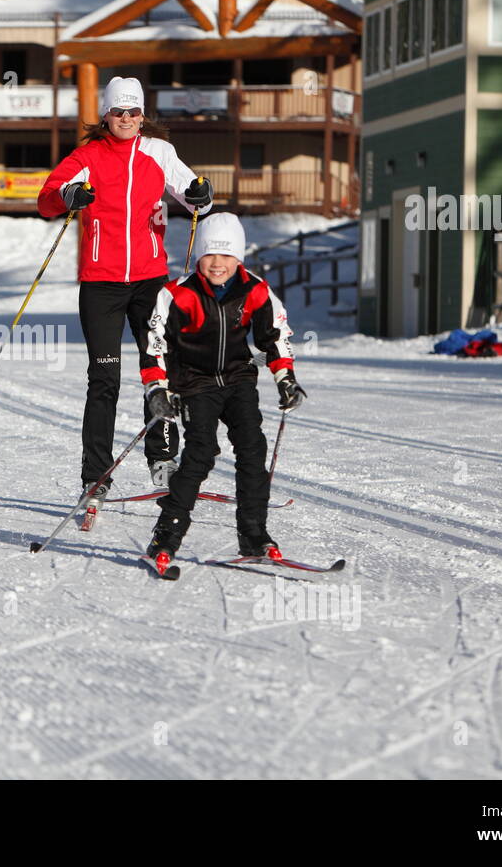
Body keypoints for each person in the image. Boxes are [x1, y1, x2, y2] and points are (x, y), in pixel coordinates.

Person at [37, 77, 213, 508]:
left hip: (151, 282)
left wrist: (201, 195)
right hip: (101, 283)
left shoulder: (159, 152)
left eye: (135, 113)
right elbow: (46, 200)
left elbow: (197, 200)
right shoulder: (89, 156)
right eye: (120, 112)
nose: (128, 120)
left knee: (161, 370)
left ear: (143, 115)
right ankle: (95, 477)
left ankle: (163, 459)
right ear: (106, 115)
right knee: (104, 380)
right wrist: (70, 194)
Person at [140, 213, 306, 577]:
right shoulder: (176, 294)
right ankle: (165, 537)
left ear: (239, 258)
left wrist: (286, 379)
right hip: (195, 383)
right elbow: (155, 345)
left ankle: (253, 535)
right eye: (210, 255)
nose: (218, 264)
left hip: (238, 380)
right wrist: (157, 388)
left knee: (252, 449)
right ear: (198, 257)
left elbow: (275, 338)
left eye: (227, 256)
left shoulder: (256, 290)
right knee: (200, 454)